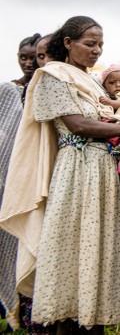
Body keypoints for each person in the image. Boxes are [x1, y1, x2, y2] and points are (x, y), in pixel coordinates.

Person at [0, 16, 120, 334]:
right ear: (68, 43)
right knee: (73, 252)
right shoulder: (51, 76)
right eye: (89, 44)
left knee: (100, 253)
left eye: (100, 45)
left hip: (107, 180)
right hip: (78, 176)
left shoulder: (93, 81)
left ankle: (94, 322)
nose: (96, 51)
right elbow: (77, 124)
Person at [0, 34, 45, 332]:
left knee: (28, 243)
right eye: (23, 57)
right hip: (5, 181)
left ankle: (27, 313)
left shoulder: (44, 88)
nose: (28, 63)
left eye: (34, 58)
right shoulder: (6, 91)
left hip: (33, 180)